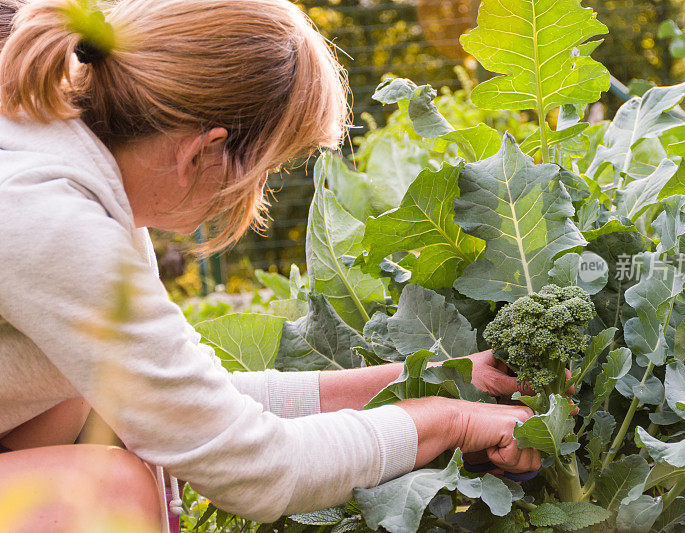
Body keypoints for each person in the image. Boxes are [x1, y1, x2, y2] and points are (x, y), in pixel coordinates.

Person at [0, 0, 545, 530]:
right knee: (106, 495)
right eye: (266, 169)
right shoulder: (45, 213)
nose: (256, 190)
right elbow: (254, 468)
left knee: (87, 411)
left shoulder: (76, 167)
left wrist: (427, 379)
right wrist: (453, 422)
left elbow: (191, 404)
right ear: (204, 152)